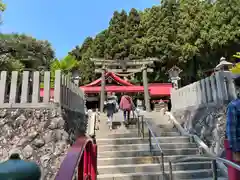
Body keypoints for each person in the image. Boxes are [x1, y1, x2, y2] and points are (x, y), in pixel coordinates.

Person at [226, 74, 240, 164]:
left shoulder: (234, 105)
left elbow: (231, 129)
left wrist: (235, 149)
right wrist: (235, 150)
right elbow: (231, 129)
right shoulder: (234, 106)